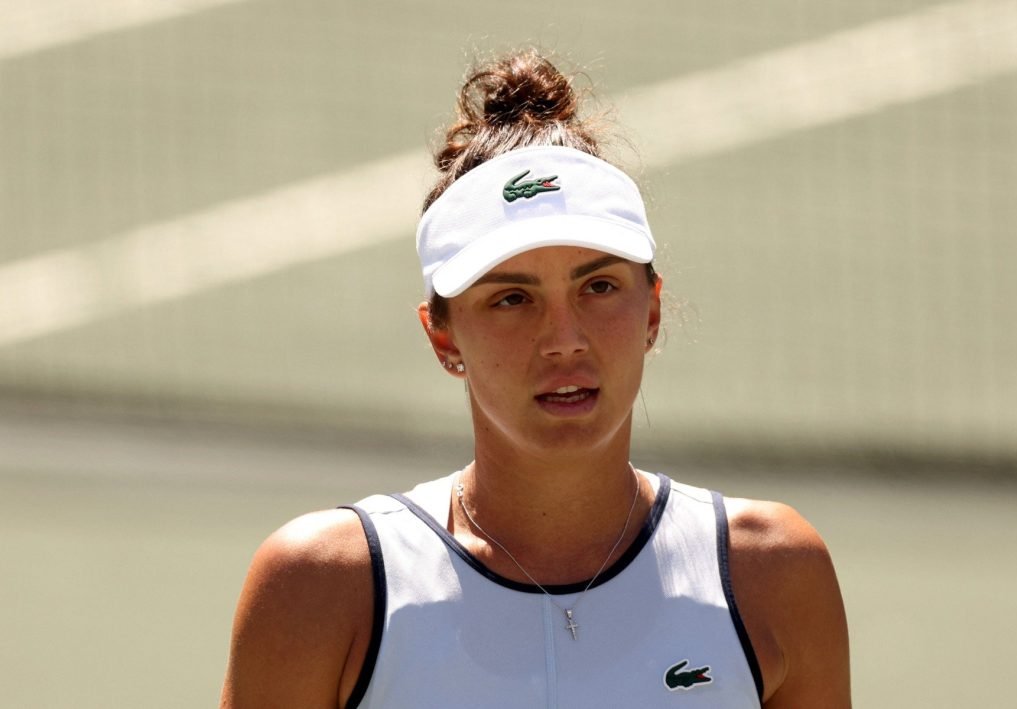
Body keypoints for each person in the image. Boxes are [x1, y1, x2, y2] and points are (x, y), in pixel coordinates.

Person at [220, 49, 850, 709]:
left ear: (651, 311)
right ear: (443, 336)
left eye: (598, 286)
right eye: (512, 298)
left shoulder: (772, 574)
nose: (564, 338)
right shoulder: (320, 588)